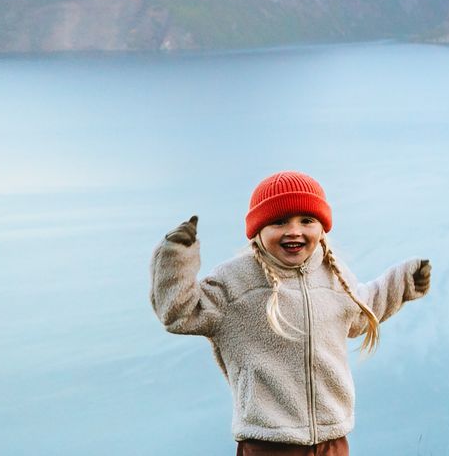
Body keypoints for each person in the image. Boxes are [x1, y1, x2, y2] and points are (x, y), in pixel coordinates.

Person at [150, 171, 431, 456]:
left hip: (332, 440)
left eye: (306, 221)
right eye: (279, 221)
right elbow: (180, 313)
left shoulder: (333, 275)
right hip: (268, 443)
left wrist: (403, 282)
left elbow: (362, 309)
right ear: (258, 230)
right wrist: (176, 257)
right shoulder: (234, 282)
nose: (294, 230)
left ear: (321, 228)